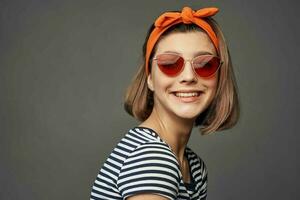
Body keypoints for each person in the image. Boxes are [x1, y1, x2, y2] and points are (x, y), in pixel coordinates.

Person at [90, 6, 239, 200]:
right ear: (150, 77)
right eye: (170, 64)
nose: (188, 77)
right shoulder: (152, 158)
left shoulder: (194, 167)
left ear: (220, 77)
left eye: (205, 64)